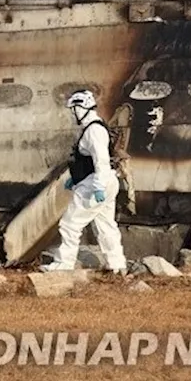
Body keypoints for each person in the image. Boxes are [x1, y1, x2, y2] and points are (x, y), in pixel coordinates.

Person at [43, 90, 127, 274]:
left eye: (74, 109)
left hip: (95, 183)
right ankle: (117, 265)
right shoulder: (95, 128)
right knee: (106, 226)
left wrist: (97, 187)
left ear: (81, 108)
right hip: (102, 181)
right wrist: (75, 178)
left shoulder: (93, 131)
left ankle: (63, 265)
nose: (72, 114)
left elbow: (100, 160)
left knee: (69, 224)